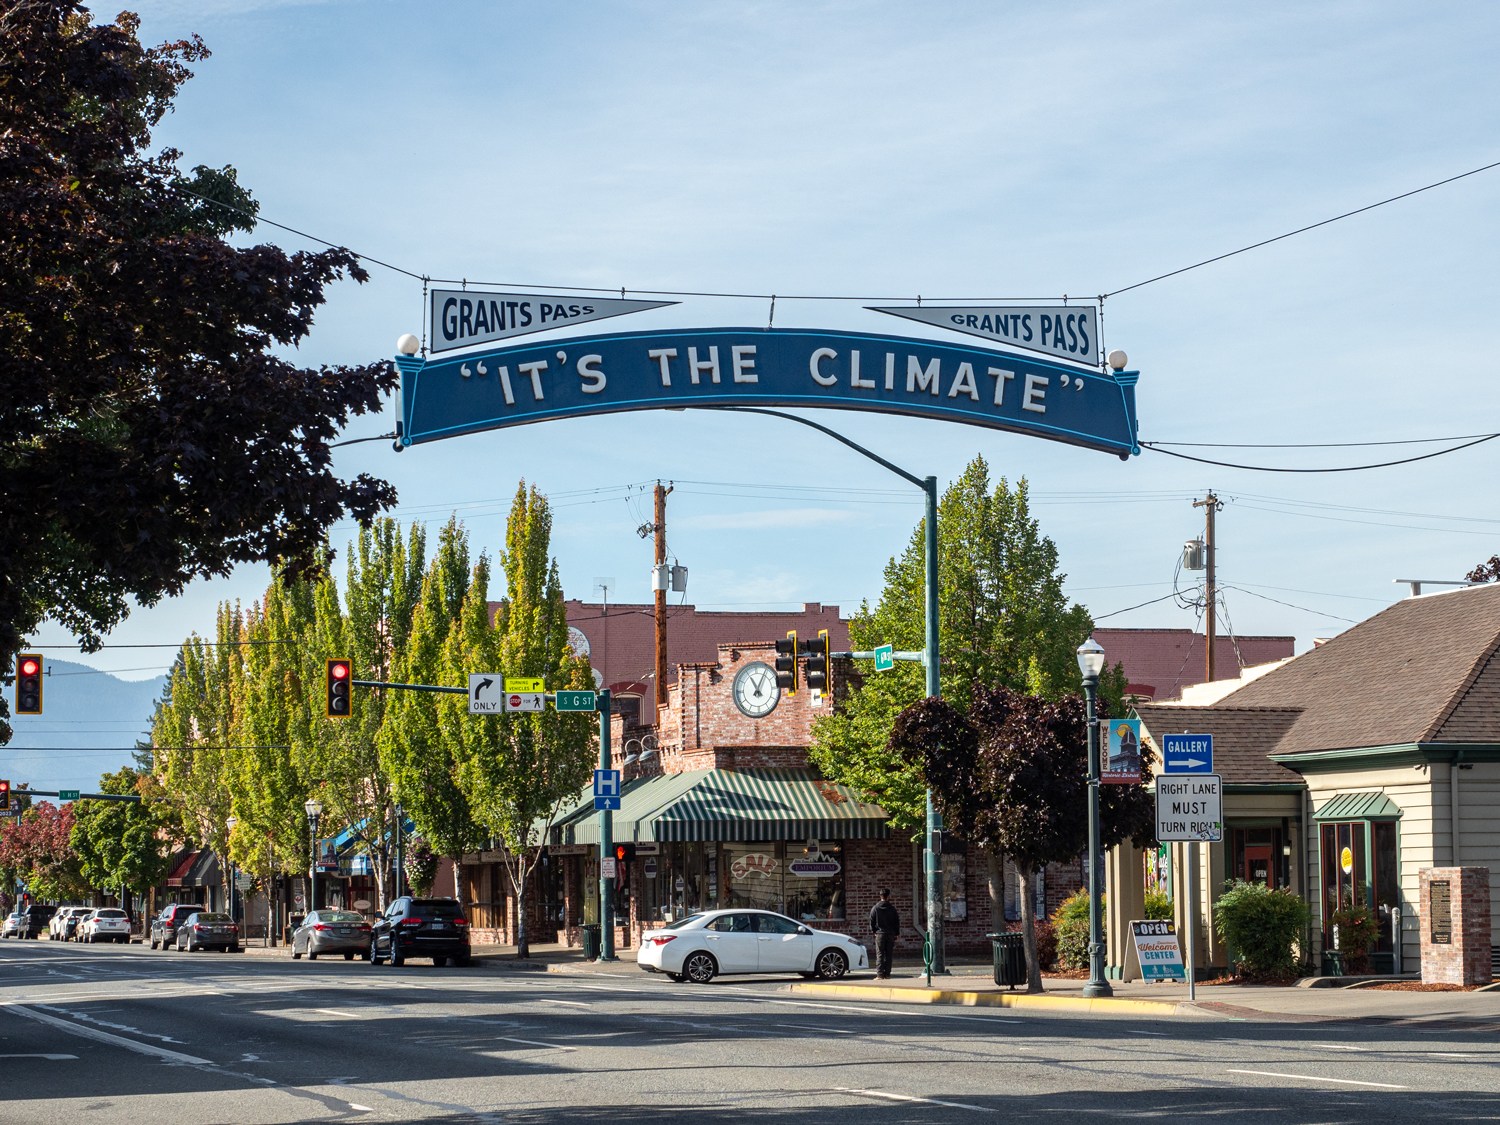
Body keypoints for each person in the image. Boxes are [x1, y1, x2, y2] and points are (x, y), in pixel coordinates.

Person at [869, 887, 900, 978]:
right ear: (888, 896)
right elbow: (896, 921)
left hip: (880, 934)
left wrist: (874, 931)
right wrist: (897, 933)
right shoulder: (892, 909)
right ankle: (887, 974)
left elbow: (872, 921)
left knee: (880, 954)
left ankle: (880, 974)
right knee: (889, 955)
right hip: (890, 933)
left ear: (880, 896)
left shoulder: (875, 908)